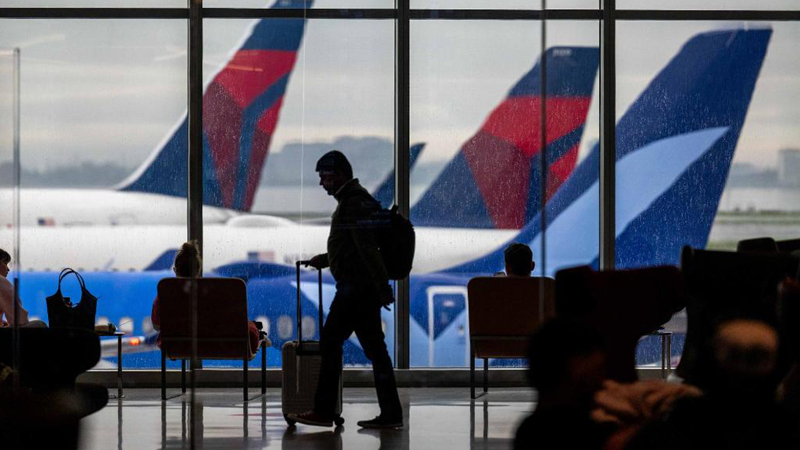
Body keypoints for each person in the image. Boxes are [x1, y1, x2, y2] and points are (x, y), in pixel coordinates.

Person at [288, 150, 403, 429]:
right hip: (361, 289)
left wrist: (382, 286)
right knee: (376, 351)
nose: (321, 183)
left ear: (338, 174)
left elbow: (367, 249)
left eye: (324, 176)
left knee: (331, 342)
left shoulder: (352, 204)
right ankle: (391, 414)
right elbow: (354, 247)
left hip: (355, 290)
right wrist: (326, 259)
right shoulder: (355, 200)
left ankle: (324, 410)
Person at [514, 317, 613, 450]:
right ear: (577, 368)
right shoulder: (585, 433)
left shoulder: (529, 431)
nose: (603, 381)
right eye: (599, 370)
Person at [150, 241, 262, 353]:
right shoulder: (214, 291)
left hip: (174, 346)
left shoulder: (166, 292)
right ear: (198, 270)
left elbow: (156, 325)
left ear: (175, 270)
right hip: (216, 345)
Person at [0, 248, 45, 328]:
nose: (8, 269)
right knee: (40, 325)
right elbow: (19, 319)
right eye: (5, 263)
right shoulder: (1, 281)